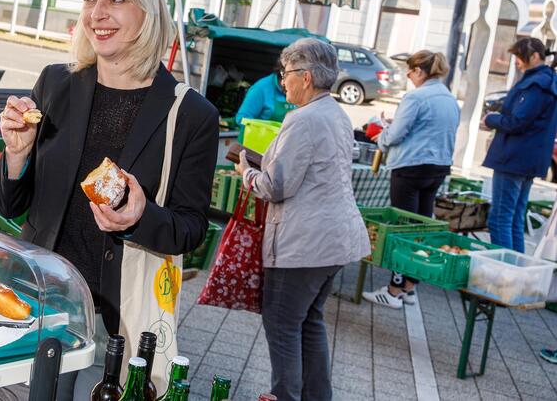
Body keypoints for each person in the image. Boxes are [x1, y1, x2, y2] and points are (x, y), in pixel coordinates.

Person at [0, 0, 219, 400]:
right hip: (40, 302)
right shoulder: (55, 83)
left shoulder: (190, 113)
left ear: (148, 9)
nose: (98, 14)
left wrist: (138, 217)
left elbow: (190, 229)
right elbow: (12, 206)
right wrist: (17, 155)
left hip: (116, 321)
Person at [236, 38, 370, 401]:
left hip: (304, 243)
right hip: (336, 238)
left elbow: (276, 186)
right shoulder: (337, 114)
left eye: (287, 74)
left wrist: (246, 172)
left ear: (306, 76)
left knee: (282, 324)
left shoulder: (303, 119)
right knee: (309, 323)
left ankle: (285, 396)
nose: (283, 82)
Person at [362, 50, 460, 309]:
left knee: (402, 230)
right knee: (421, 228)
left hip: (410, 166)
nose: (408, 75)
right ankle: (409, 286)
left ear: (420, 72)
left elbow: (395, 135)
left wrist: (381, 136)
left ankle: (393, 290)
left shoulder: (416, 97)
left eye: (411, 70)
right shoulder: (449, 98)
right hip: (438, 168)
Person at [482, 37, 557, 252]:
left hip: (514, 158)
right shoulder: (548, 81)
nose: (516, 61)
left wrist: (491, 120)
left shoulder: (537, 84)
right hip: (529, 158)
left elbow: (518, 121)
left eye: (519, 56)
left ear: (534, 56)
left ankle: (503, 275)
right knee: (514, 218)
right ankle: (515, 276)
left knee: (500, 220)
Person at [234, 60, 295, 136]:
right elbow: (241, 118)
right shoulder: (261, 89)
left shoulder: (300, 90)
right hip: (257, 144)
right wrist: (265, 132)